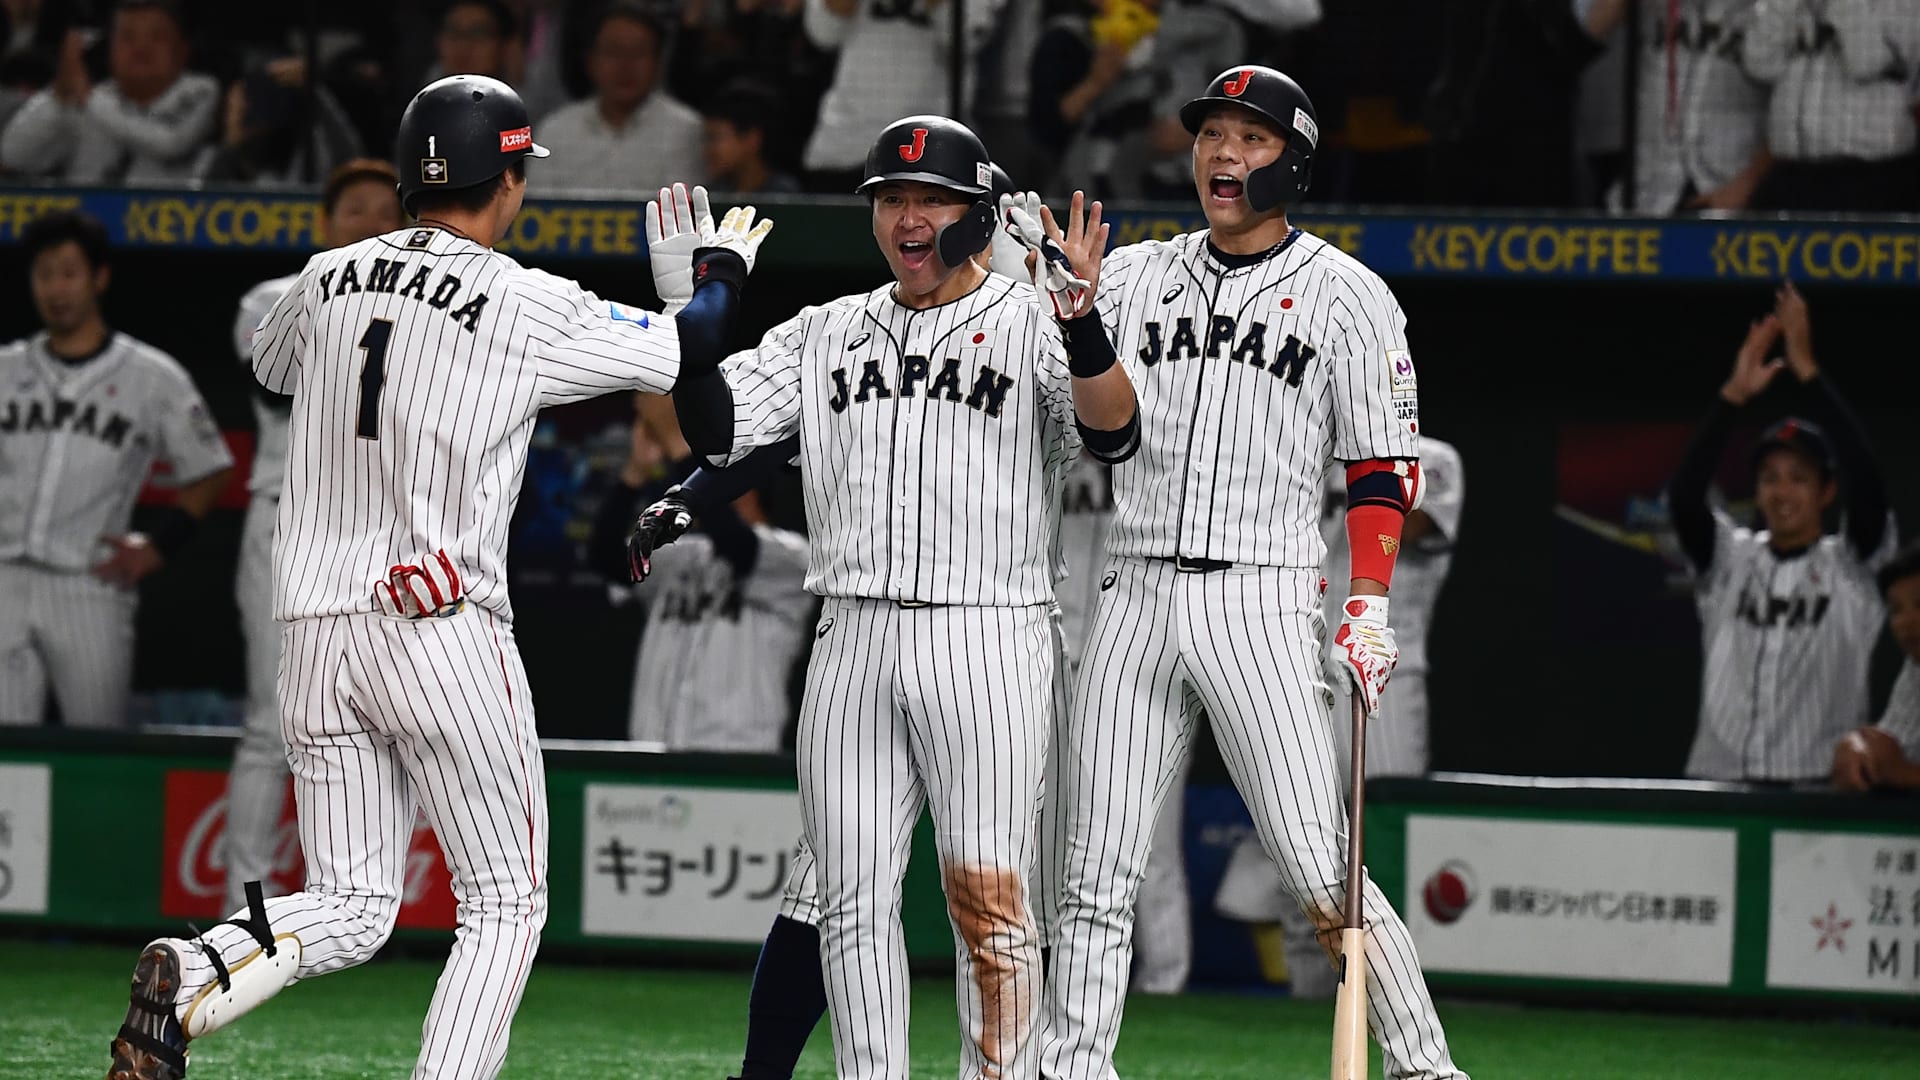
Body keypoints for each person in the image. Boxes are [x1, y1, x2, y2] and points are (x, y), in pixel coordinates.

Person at [103, 73, 771, 1080]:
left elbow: (268, 368)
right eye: (518, 172)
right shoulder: (522, 296)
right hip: (438, 625)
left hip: (317, 630)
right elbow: (690, 352)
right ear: (500, 179)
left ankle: (203, 959)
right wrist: (710, 277)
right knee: (505, 899)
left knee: (355, 900)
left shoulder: (325, 273)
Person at [661, 117, 1139, 1079]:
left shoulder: (1032, 316)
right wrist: (693, 317)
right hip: (852, 636)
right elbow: (718, 436)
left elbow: (1116, 435)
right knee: (848, 895)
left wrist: (1083, 322)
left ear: (975, 215)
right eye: (892, 200)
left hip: (989, 633)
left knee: (989, 893)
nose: (908, 217)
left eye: (932, 201)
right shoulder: (827, 327)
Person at [1038, 65, 1470, 1080]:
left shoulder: (1350, 296)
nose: (1223, 156)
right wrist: (1074, 312)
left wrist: (1367, 599)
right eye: (1211, 136)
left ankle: (1425, 1068)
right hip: (1133, 586)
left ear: (1296, 163)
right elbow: (1097, 431)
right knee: (1095, 869)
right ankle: (1069, 1067)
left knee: (1322, 868)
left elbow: (1378, 468)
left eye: (1251, 139)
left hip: (1262, 596)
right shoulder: (1135, 275)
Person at [219, 158, 406, 918]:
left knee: (388, 714)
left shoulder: (431, 303)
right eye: (350, 207)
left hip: (385, 521)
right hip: (290, 517)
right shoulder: (278, 296)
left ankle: (356, 906)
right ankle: (244, 911)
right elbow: (281, 379)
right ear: (324, 224)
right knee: (272, 722)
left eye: (380, 209)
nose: (365, 220)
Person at [1215, 436, 1466, 998]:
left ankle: (1392, 994)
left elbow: (1411, 525)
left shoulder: (1434, 457)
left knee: (1376, 837)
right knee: (1296, 834)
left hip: (1385, 675)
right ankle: (1306, 996)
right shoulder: (1298, 446)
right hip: (1298, 661)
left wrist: (1353, 461)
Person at [0, 210, 234, 729]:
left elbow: (210, 468)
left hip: (89, 583)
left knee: (98, 739)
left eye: (68, 271)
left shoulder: (151, 375)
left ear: (98, 278)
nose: (55, 288)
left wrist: (159, 545)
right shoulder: (7, 367)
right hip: (5, 578)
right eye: (43, 273)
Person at [1667, 282, 1895, 784]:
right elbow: (1685, 497)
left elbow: (1869, 481)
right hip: (1719, 783)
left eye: (1798, 477)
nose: (1782, 490)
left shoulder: (1852, 568)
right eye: (1770, 478)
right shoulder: (1731, 559)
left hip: (1815, 792)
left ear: (1825, 491)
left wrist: (1809, 371)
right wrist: (1731, 398)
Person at [588, 392, 812, 752]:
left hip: (737, 761)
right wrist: (635, 474)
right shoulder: (682, 553)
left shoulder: (790, 558)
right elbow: (606, 559)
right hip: (654, 752)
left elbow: (737, 547)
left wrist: (679, 444)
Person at [0, 0, 218, 183]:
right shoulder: (95, 96)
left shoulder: (200, 91)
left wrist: (89, 99)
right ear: (111, 48)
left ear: (182, 49)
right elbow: (14, 156)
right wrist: (57, 97)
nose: (141, 48)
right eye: (128, 37)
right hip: (83, 225)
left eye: (157, 37)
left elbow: (170, 144)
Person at [530, 2, 702, 196]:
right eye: (614, 51)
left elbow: (688, 214)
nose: (625, 65)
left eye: (638, 52)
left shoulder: (685, 130)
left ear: (658, 61)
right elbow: (537, 209)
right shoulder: (555, 131)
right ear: (591, 61)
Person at [1831, 543, 1920, 792]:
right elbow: (1889, 746)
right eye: (1896, 609)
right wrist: (1858, 745)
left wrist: (1905, 774)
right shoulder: (1914, 670)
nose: (1906, 621)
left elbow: (1898, 768)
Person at [702, 80, 801, 195]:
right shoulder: (712, 193)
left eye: (716, 138)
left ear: (751, 139)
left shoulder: (784, 195)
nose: (708, 150)